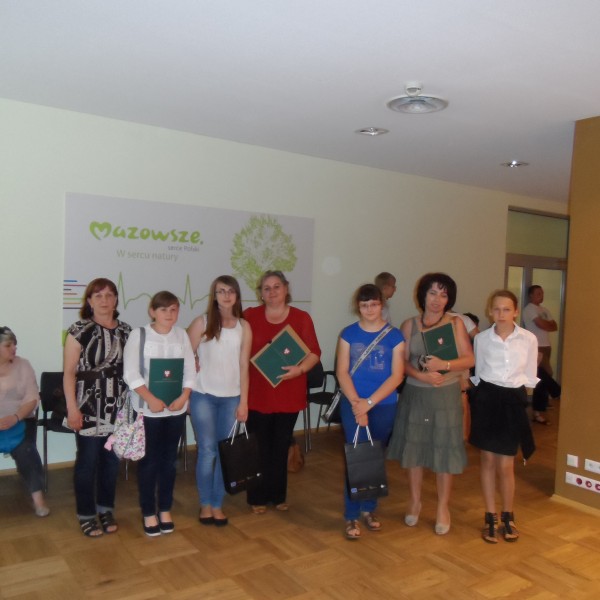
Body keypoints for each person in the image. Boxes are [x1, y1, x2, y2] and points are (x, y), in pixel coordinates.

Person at [387, 272, 474, 535]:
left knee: (444, 451)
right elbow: (401, 362)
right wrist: (421, 375)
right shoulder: (409, 325)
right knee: (414, 450)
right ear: (422, 295)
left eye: (443, 294)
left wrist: (444, 364)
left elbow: (469, 359)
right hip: (415, 394)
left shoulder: (456, 323)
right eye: (432, 293)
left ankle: (442, 507)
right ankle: (415, 501)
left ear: (449, 299)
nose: (437, 299)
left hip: (445, 396)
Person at [243, 270, 321, 514]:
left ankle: (278, 495)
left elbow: (314, 352)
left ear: (286, 289)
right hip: (256, 393)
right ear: (261, 293)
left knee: (280, 446)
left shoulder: (301, 318)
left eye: (277, 286)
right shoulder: (249, 316)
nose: (272, 292)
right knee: (258, 447)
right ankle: (256, 497)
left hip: (289, 393)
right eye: (266, 288)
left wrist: (300, 370)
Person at [123, 291, 195, 536]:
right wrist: (151, 399)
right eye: (163, 309)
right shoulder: (139, 335)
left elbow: (190, 370)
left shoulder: (182, 335)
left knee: (169, 462)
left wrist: (184, 397)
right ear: (152, 311)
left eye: (174, 309)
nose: (169, 314)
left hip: (175, 410)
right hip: (148, 411)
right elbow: (131, 373)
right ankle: (148, 512)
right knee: (149, 462)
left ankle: (165, 509)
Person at [336, 284, 404, 540]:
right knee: (357, 457)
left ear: (381, 305)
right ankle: (351, 514)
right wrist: (358, 404)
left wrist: (370, 403)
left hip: (384, 405)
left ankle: (369, 509)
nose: (369, 309)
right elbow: (342, 371)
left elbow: (397, 376)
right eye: (364, 305)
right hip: (353, 403)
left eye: (374, 304)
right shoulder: (348, 334)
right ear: (358, 307)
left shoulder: (395, 336)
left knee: (375, 457)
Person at [64, 277, 131, 537]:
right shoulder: (79, 330)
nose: (105, 300)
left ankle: (105, 509)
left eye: (110, 295)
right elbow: (69, 373)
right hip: (88, 406)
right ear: (89, 301)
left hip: (118, 407)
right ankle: (86, 513)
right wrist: (72, 409)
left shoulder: (126, 331)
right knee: (87, 462)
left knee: (111, 462)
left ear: (116, 300)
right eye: (99, 295)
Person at [469, 290, 538, 543]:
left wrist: (520, 401)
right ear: (490, 311)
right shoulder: (482, 339)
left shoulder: (528, 339)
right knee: (487, 460)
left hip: (512, 401)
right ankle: (490, 516)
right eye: (496, 309)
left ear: (515, 311)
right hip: (487, 400)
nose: (501, 314)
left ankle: (508, 516)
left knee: (506, 464)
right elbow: (478, 373)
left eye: (507, 309)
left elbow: (529, 375)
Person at [187, 275, 252, 527]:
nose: (226, 295)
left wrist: (244, 402)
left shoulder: (244, 326)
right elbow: (185, 356)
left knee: (226, 453)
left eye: (230, 291)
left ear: (237, 295)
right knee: (207, 451)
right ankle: (205, 503)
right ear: (214, 296)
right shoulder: (202, 322)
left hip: (232, 399)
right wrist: (192, 365)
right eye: (221, 291)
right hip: (203, 396)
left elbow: (244, 366)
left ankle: (217, 503)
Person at [0, 326, 49, 517]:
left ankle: (39, 501)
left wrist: (15, 417)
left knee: (26, 451)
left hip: (21, 420)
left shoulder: (23, 365)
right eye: (8, 345)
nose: (14, 348)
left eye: (15, 344)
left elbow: (32, 398)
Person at [522, 285, 561, 424]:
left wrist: (546, 324)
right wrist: (546, 324)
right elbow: (542, 325)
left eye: (542, 293)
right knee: (544, 375)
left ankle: (540, 407)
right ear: (531, 295)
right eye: (538, 293)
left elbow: (554, 326)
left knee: (543, 377)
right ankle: (555, 393)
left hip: (546, 346)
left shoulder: (544, 310)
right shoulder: (529, 309)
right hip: (536, 347)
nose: (541, 296)